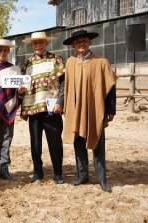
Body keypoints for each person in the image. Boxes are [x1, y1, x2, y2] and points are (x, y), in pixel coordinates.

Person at [62, 30, 116, 192]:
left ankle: (101, 179)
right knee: (78, 142)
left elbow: (110, 88)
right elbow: (65, 86)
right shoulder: (70, 63)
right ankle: (83, 175)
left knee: (98, 142)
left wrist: (111, 110)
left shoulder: (101, 62)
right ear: (73, 45)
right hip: (76, 109)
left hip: (95, 109)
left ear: (90, 42)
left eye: (84, 41)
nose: (81, 44)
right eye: (77, 42)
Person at [20, 32, 65, 184]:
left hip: (51, 108)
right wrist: (20, 91)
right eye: (35, 43)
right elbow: (21, 86)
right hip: (33, 108)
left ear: (46, 43)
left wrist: (61, 101)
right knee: (35, 143)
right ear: (31, 45)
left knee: (55, 142)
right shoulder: (27, 63)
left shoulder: (56, 59)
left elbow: (64, 82)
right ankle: (38, 172)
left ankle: (58, 173)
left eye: (41, 43)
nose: (38, 46)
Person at [0, 39, 27, 182]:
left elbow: (20, 91)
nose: (2, 53)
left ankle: (5, 168)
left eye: (5, 50)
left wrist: (21, 92)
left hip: (9, 108)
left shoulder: (15, 69)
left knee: (7, 138)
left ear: (9, 51)